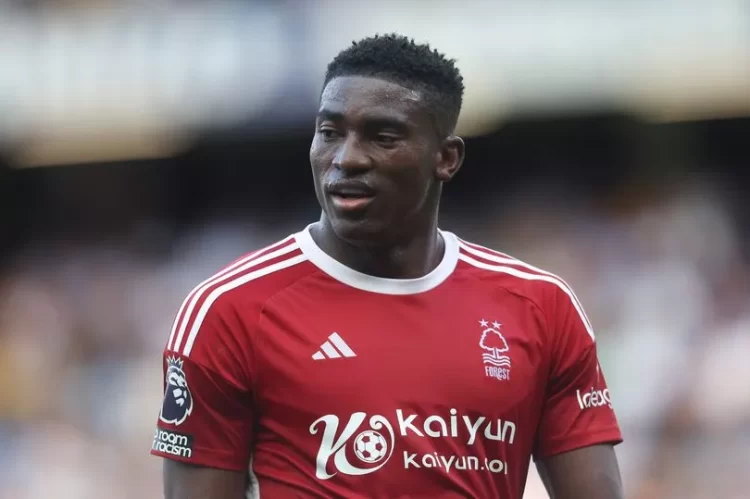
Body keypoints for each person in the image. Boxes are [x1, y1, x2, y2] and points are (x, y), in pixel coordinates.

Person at [151, 33, 624, 499]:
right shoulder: (229, 310)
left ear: (446, 158)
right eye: (330, 133)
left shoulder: (540, 307)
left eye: (383, 137)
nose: (347, 158)